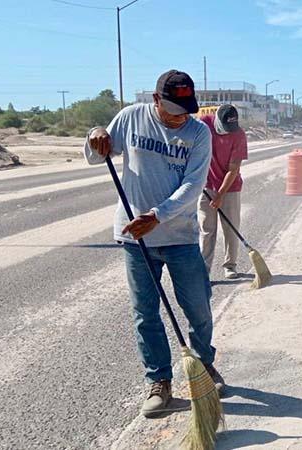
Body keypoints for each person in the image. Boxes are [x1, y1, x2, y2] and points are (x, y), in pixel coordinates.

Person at [84, 69, 224, 418]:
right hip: (135, 237)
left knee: (198, 308)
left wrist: (157, 216)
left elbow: (193, 186)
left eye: (186, 109)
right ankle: (159, 382)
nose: (181, 118)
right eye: (174, 109)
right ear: (155, 100)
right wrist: (94, 136)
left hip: (179, 236)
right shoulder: (131, 118)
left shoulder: (198, 133)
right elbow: (95, 155)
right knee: (145, 313)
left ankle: (203, 365)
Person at [197, 104, 248, 279]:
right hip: (206, 186)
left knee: (231, 227)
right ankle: (204, 270)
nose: (228, 131)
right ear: (217, 119)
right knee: (207, 230)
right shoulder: (204, 124)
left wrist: (220, 194)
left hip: (230, 187)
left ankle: (230, 265)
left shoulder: (239, 135)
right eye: (225, 127)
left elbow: (233, 169)